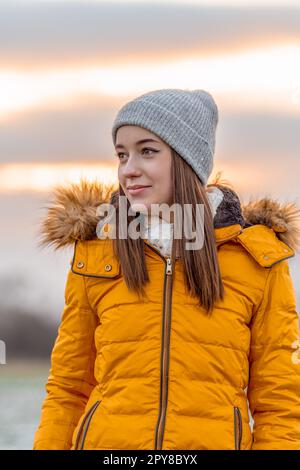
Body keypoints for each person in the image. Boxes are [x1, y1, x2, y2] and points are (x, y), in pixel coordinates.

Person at [33, 89, 300, 450]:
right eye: (122, 155)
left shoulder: (257, 261)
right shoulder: (96, 255)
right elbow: (67, 388)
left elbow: (280, 403)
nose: (129, 170)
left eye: (147, 151)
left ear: (188, 159)